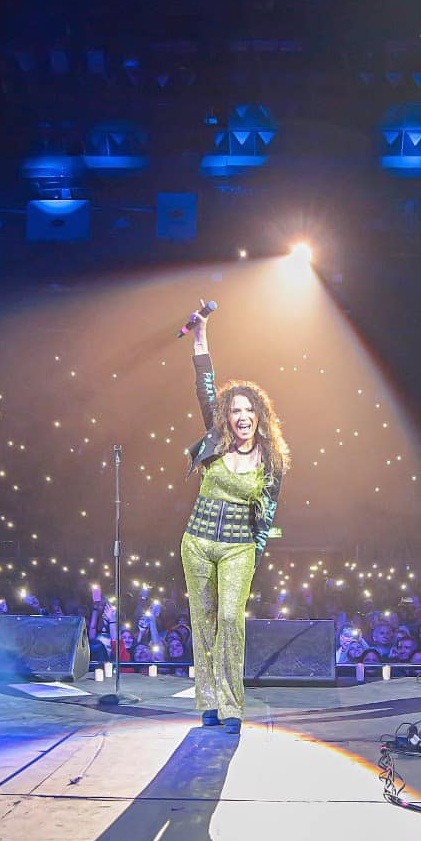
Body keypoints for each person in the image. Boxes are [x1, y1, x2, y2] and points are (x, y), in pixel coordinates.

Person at [179, 313, 288, 734]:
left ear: (259, 415)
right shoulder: (217, 439)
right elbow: (205, 383)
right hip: (197, 542)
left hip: (238, 546)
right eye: (235, 410)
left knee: (229, 620)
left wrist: (255, 557)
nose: (242, 416)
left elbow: (268, 518)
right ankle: (208, 702)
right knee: (203, 619)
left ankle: (232, 706)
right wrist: (201, 335)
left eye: (249, 410)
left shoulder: (272, 459)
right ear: (226, 415)